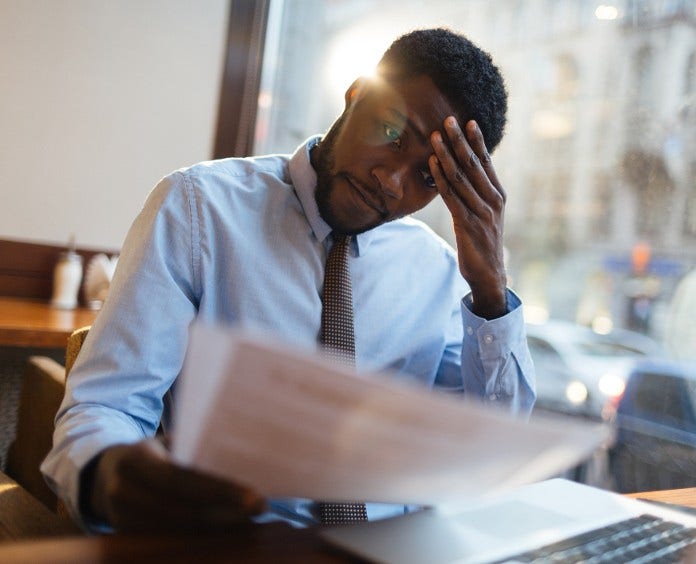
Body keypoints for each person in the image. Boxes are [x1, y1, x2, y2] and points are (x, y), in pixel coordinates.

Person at [42, 27, 536, 533]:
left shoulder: (441, 274)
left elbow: (490, 451)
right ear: (357, 94)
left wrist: (491, 287)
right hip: (235, 541)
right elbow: (106, 406)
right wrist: (107, 473)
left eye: (428, 177)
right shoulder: (198, 210)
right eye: (390, 131)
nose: (391, 181)